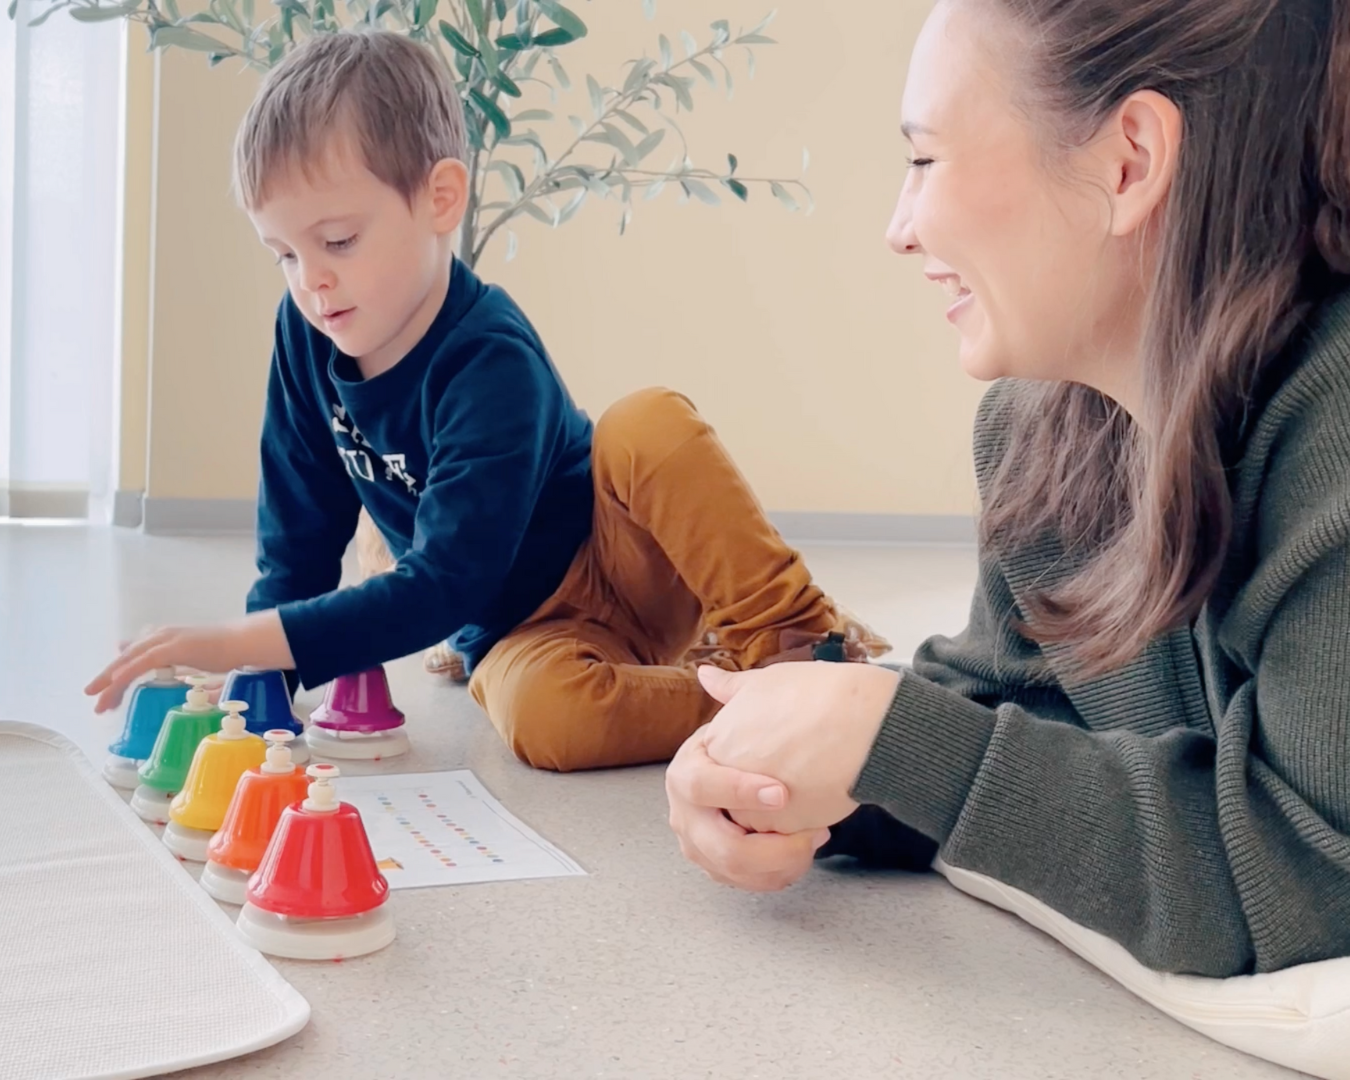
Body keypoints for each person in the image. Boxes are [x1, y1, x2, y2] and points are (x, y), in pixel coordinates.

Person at [666, 0, 1350, 978]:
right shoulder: (1044, 432)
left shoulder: (1334, 426)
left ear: (1129, 164)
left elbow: (1314, 877)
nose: (899, 230)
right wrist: (803, 772)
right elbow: (1012, 714)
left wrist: (899, 739)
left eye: (925, 159)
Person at [84, 30, 888, 772]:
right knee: (549, 724)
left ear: (440, 199)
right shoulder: (306, 338)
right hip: (524, 631)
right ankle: (743, 697)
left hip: (625, 553)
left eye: (336, 242)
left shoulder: (490, 355)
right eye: (283, 254)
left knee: (647, 422)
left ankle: (798, 650)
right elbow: (297, 534)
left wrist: (233, 642)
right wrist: (262, 681)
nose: (310, 281)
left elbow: (444, 582)